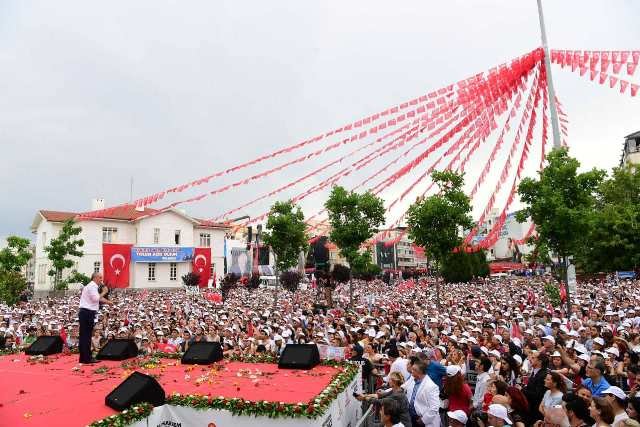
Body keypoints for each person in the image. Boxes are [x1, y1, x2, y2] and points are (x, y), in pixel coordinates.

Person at [78, 272, 112, 364]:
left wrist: (109, 302)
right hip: (87, 312)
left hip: (86, 312)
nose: (102, 280)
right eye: (100, 277)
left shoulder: (91, 286)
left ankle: (84, 358)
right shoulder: (92, 286)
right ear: (95, 278)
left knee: (85, 336)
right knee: (86, 336)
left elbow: (98, 299)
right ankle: (86, 358)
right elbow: (95, 298)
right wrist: (104, 292)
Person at [402, 359, 440, 426]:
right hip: (411, 418)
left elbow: (434, 407)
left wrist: (423, 420)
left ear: (419, 372)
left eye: (413, 369)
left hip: (423, 421)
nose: (411, 371)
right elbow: (402, 387)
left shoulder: (431, 386)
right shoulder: (412, 379)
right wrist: (386, 392)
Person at [524, 351, 549, 422]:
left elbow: (538, 395)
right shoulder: (535, 372)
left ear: (540, 361)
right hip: (531, 408)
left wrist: (523, 390)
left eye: (533, 358)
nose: (529, 359)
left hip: (536, 411)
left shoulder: (543, 375)